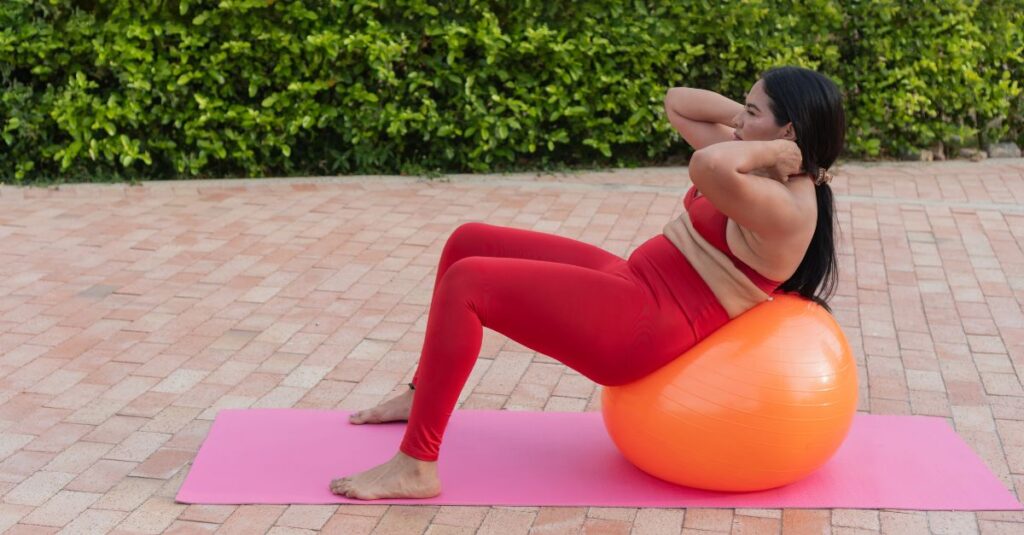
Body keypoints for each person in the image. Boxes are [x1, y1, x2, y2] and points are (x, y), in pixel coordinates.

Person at [329, 65, 845, 500]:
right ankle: (420, 394)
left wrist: (772, 151)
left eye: (753, 112)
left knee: (468, 283)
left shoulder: (787, 205)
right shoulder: (754, 156)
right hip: (633, 279)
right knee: (468, 241)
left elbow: (704, 165)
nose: (739, 122)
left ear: (788, 133)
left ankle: (417, 466)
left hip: (643, 327)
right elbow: (678, 103)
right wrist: (752, 124)